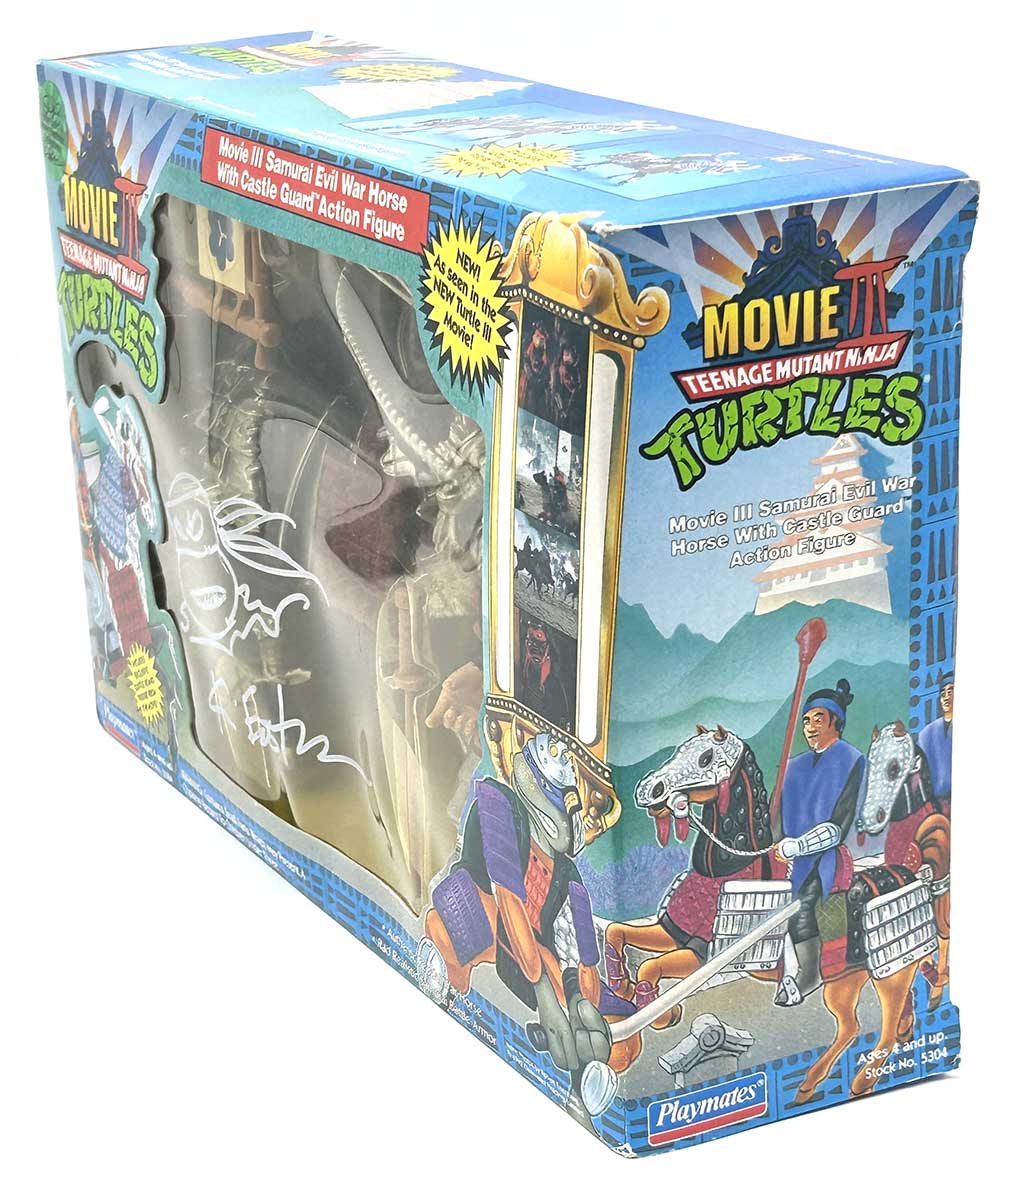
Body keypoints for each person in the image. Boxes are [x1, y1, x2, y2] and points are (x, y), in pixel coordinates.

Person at [774, 678, 864, 1006]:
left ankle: (809, 973)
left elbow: (839, 825)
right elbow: (777, 815)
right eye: (806, 721)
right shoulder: (793, 765)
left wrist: (798, 847)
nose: (810, 727)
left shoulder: (851, 759)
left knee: (800, 904)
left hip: (824, 856)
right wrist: (776, 845)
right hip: (784, 855)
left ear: (835, 721)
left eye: (818, 719)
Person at [918, 671, 953, 811]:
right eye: (943, 694)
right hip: (933, 804)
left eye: (951, 691)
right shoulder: (926, 734)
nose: (946, 697)